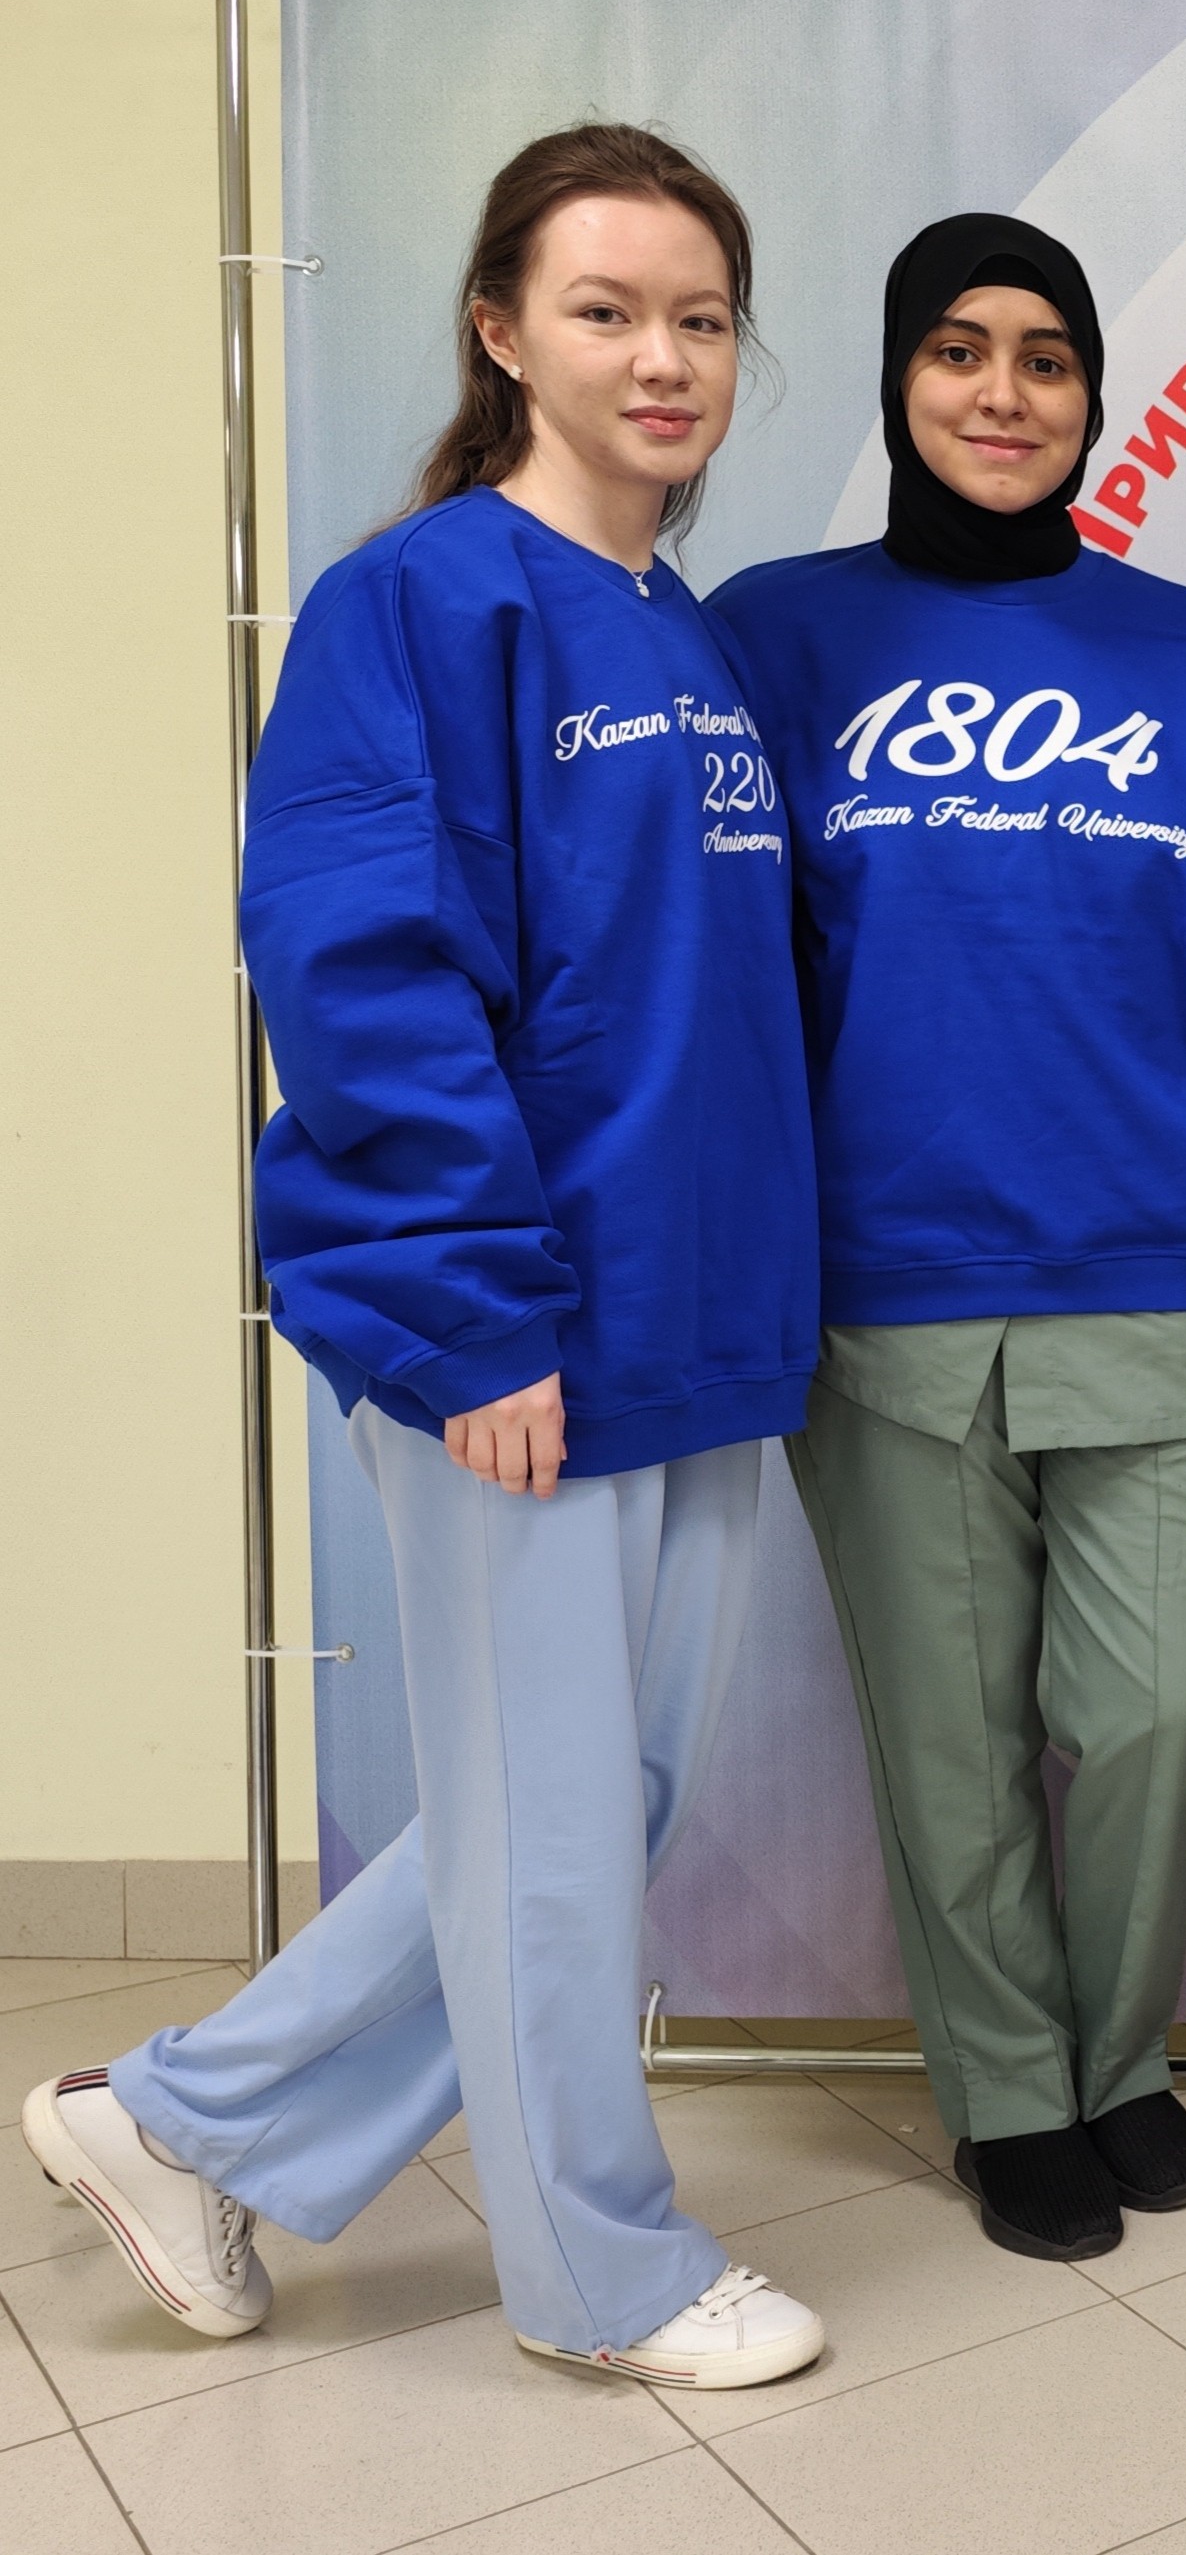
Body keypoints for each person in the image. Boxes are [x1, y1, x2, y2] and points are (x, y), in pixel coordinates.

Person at [18, 126, 827, 2388]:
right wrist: (474, 1315)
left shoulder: (682, 627)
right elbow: (365, 972)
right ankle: (603, 2273)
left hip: (694, 1320)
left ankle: (181, 2124)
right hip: (517, 1320)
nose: (663, 357)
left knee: (586, 1809)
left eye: (700, 318)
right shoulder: (423, 602)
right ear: (501, 332)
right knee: (550, 1829)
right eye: (606, 311)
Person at [709, 216, 1186, 2264]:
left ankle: (1118, 2055)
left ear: (1091, 396)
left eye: (1046, 356)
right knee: (951, 1742)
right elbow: (728, 977)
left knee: (1161, 1712)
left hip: (1162, 1272)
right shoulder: (774, 637)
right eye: (960, 350)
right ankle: (1008, 2090)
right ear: (900, 378)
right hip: (885, 1289)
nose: (1003, 391)